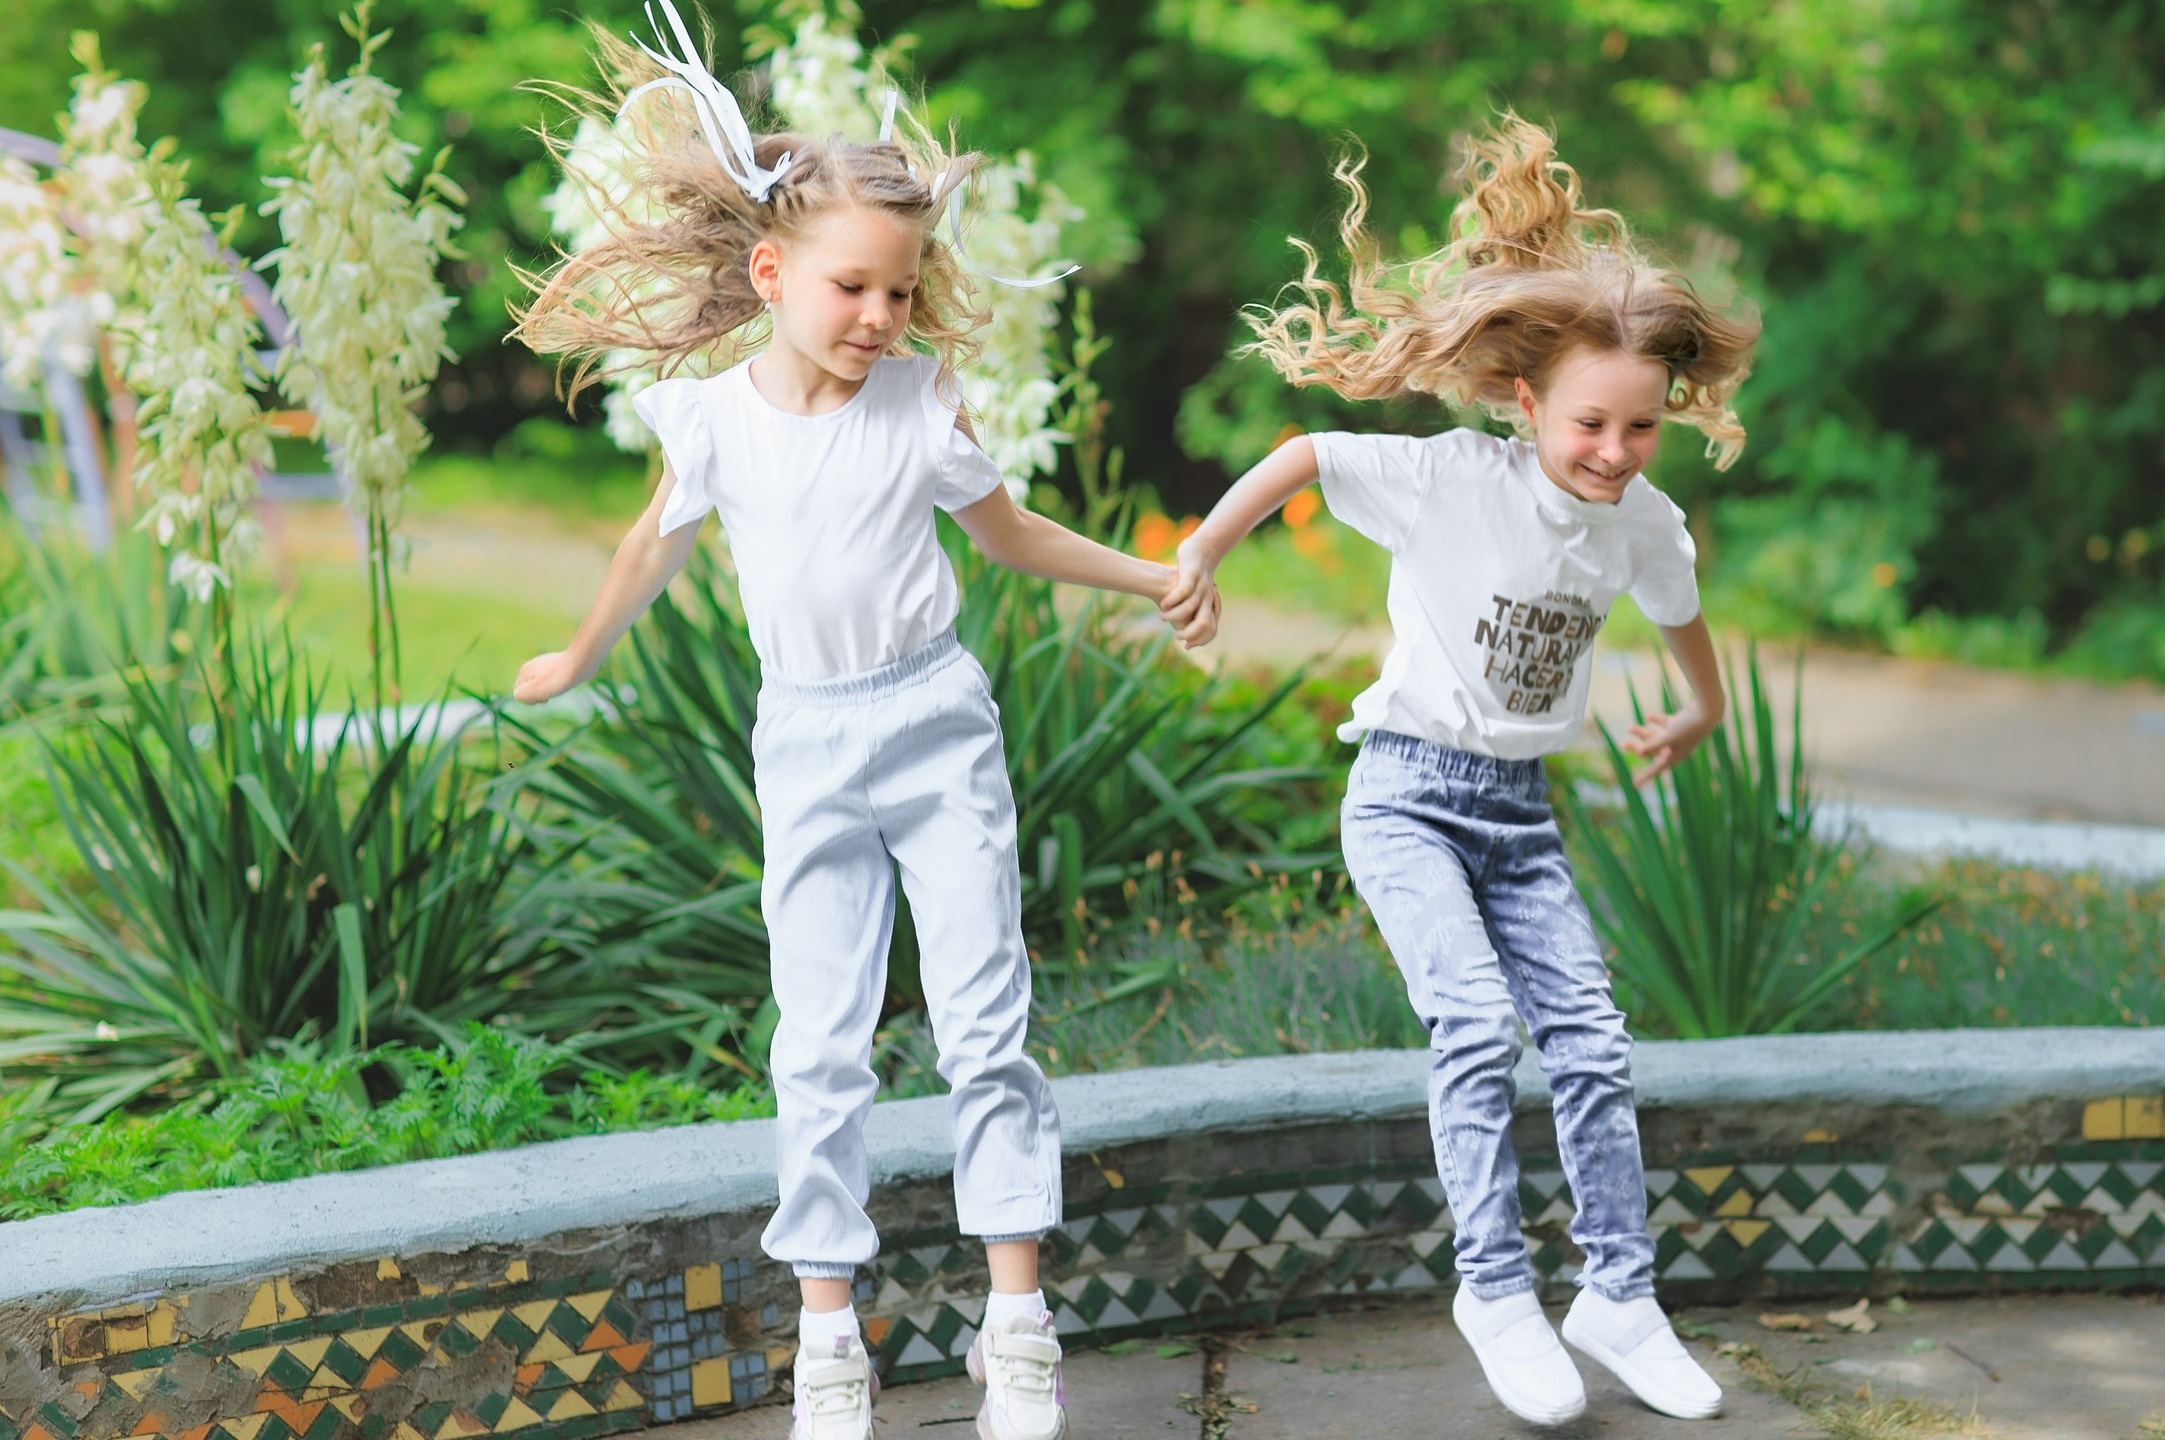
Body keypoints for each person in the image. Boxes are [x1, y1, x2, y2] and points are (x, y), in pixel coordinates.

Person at [510, 9, 1217, 1437]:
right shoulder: (713, 422)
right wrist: (580, 654)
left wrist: (1153, 576)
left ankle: (1016, 1321)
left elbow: (1012, 537)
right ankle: (829, 1336)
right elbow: (648, 549)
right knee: (820, 1041)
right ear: (772, 274)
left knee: (984, 1021)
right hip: (809, 742)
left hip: (935, 723)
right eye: (853, 287)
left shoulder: (918, 404)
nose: (881, 316)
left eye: (900, 291)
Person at [1160, 115, 1756, 1426]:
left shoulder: (1643, 520)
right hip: (1407, 799)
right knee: (1478, 1028)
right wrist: (1201, 549)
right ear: (1529, 403)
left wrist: (1701, 710)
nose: (1614, 452)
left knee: (1593, 1043)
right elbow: (1307, 455)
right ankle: (1494, 1289)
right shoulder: (1451, 480)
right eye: (1590, 424)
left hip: (1520, 821)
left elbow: (1680, 611)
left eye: (1641, 428)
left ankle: (1619, 1295)